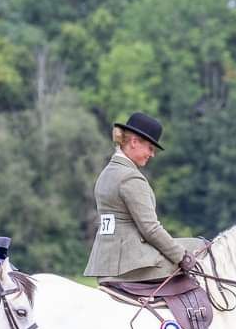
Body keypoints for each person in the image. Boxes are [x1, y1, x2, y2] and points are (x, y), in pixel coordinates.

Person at [83, 112, 204, 283]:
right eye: (150, 148)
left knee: (193, 246)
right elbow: (151, 229)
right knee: (201, 249)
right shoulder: (130, 178)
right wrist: (181, 257)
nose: (152, 154)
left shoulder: (106, 173)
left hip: (104, 262)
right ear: (134, 142)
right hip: (130, 264)